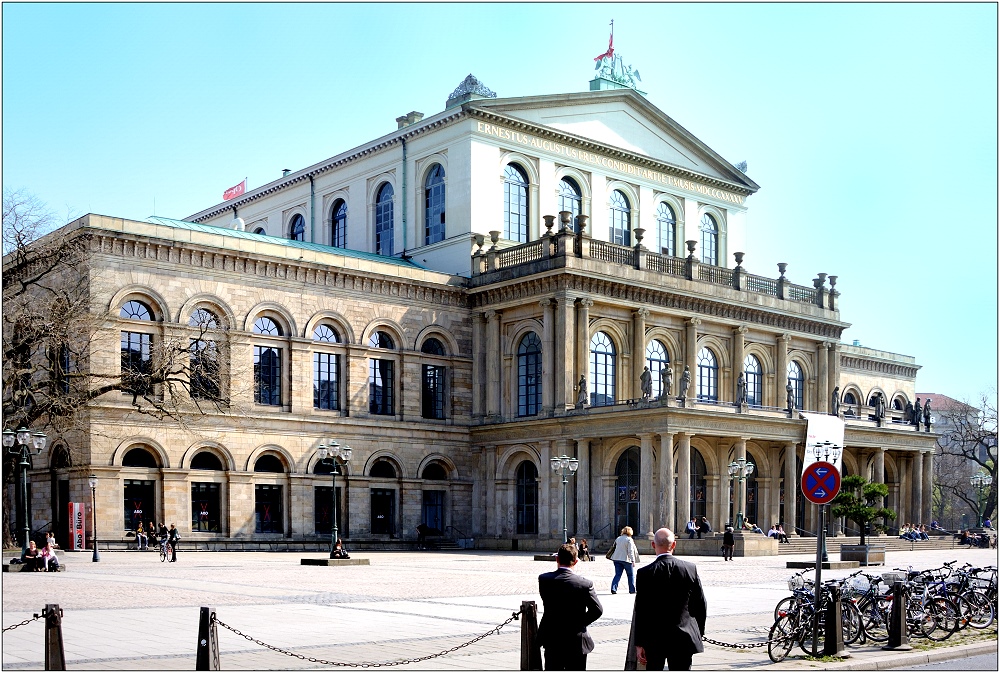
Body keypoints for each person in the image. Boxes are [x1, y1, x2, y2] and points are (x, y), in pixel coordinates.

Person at [634, 528, 706, 671]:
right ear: (674, 545)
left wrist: (639, 643)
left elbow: (641, 611)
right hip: (683, 637)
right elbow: (700, 604)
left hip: (654, 639)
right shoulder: (690, 569)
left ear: (653, 545)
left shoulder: (644, 573)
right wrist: (699, 632)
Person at [536, 543, 604, 670]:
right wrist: (579, 622)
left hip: (552, 637)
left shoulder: (544, 579)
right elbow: (597, 610)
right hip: (576, 640)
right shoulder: (584, 584)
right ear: (576, 561)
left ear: (557, 559)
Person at [609, 526, 640, 595]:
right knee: (630, 575)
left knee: (617, 575)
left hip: (616, 559)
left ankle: (613, 588)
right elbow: (630, 551)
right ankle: (632, 590)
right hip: (626, 560)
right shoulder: (629, 539)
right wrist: (633, 560)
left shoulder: (618, 538)